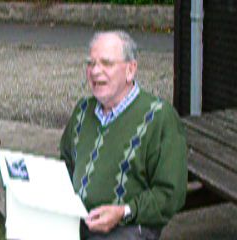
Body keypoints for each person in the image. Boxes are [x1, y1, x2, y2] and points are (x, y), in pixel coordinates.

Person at [60, 30, 187, 240]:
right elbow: (65, 163)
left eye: (106, 63)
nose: (95, 71)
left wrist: (124, 212)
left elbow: (170, 194)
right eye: (90, 64)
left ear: (130, 70)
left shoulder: (159, 117)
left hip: (128, 227)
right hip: (78, 219)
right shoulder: (83, 110)